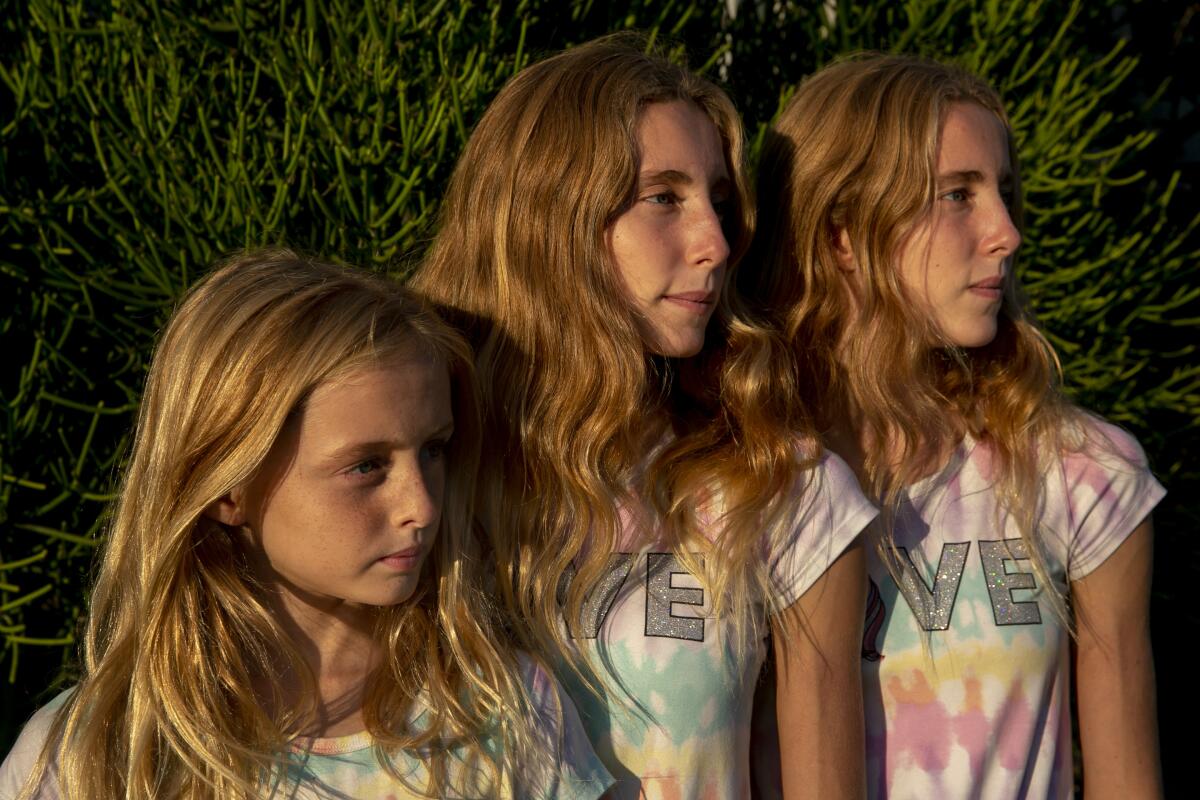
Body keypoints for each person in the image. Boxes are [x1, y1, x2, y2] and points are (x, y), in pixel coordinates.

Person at [413, 33, 877, 799]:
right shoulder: (424, 470)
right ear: (549, 217)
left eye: (720, 203)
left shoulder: (778, 485)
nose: (715, 243)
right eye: (664, 198)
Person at [0, 250, 612, 799]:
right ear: (227, 487)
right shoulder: (101, 753)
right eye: (366, 466)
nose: (422, 506)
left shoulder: (501, 713)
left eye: (434, 449)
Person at [747, 54, 1165, 798]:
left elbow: (1128, 780)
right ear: (843, 232)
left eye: (1003, 193)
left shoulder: (1080, 474)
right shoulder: (740, 484)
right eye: (957, 196)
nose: (1006, 233)